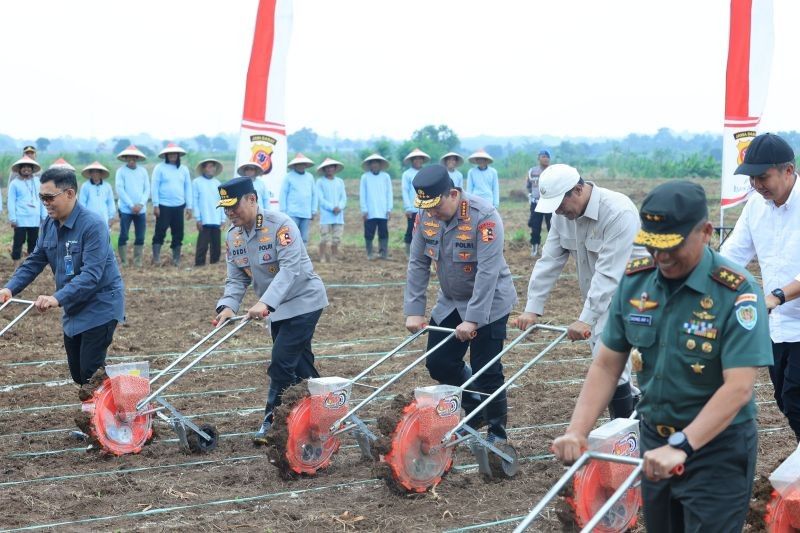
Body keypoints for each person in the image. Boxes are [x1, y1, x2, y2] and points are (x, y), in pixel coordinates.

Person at [552, 181, 772, 532]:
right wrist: (578, 431)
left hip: (716, 450)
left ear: (705, 232)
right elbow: (608, 365)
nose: (661, 257)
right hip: (655, 444)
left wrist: (682, 445)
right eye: (653, 246)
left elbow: (739, 388)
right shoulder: (637, 282)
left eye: (672, 246)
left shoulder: (736, 292)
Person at [515, 164, 645, 418]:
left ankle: (620, 433)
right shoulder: (562, 216)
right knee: (614, 368)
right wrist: (532, 308)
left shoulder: (617, 212)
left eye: (560, 203)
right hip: (599, 298)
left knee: (608, 365)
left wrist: (585, 318)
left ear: (577, 189)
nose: (558, 211)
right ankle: (636, 417)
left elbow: (609, 275)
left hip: (632, 295)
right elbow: (549, 260)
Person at [404, 165, 517, 442]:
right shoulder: (425, 217)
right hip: (451, 301)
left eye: (436, 206)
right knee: (439, 363)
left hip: (489, 305)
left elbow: (488, 271)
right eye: (426, 207)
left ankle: (497, 434)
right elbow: (418, 263)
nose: (431, 213)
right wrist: (415, 311)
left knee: (486, 369)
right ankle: (474, 404)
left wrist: (474, 318)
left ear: (453, 194)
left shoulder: (484, 217)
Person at [213, 177, 328, 444]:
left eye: (234, 206)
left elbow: (290, 269)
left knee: (281, 362)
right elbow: (237, 278)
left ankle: (273, 422)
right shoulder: (234, 236)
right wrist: (228, 306)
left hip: (303, 301)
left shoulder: (281, 226)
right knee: (301, 367)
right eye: (226, 208)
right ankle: (328, 409)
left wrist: (265, 303)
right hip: (275, 309)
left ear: (252, 200)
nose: (230, 213)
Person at [1, 167, 125, 387]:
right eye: (42, 198)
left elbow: (91, 275)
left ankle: (111, 415)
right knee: (79, 374)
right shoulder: (49, 224)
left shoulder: (93, 225)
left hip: (101, 305)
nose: (45, 203)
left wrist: (56, 298)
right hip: (73, 306)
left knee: (90, 372)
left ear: (69, 194)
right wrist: (10, 288)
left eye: (49, 197)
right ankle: (116, 400)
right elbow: (35, 261)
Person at [720, 132, 800, 441]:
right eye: (752, 177)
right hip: (777, 325)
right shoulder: (755, 207)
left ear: (788, 170)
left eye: (762, 176)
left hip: (784, 311)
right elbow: (732, 255)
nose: (756, 184)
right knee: (784, 399)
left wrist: (777, 296)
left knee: (795, 398)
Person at [151, 142, 192, 266]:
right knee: (160, 231)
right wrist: (155, 204)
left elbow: (188, 188)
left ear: (178, 155)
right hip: (163, 205)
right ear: (166, 155)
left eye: (175, 153)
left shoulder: (183, 169)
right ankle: (156, 258)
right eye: (170, 153)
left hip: (179, 206)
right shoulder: (159, 168)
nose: (173, 155)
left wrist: (189, 206)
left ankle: (176, 259)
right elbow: (154, 186)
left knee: (178, 233)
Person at [7, 156, 46, 269]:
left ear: (32, 169)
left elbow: (42, 199)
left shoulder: (37, 182)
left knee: (33, 243)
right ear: (19, 169)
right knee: (18, 243)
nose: (26, 169)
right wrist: (13, 218)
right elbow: (11, 201)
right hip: (20, 219)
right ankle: (16, 267)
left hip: (34, 219)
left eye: (29, 167)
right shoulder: (14, 183)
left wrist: (43, 216)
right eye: (24, 167)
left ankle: (30, 267)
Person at [115, 145, 150, 267]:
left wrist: (140, 204)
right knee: (124, 234)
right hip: (126, 209)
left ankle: (137, 260)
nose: (131, 160)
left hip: (141, 209)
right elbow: (120, 190)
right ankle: (124, 261)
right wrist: (131, 205)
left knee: (140, 235)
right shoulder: (121, 172)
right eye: (129, 158)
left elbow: (147, 189)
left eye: (133, 158)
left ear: (137, 158)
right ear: (125, 158)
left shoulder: (143, 171)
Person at [359, 153, 393, 260]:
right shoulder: (365, 177)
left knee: (383, 232)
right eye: (372, 163)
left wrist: (389, 208)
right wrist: (364, 210)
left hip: (383, 210)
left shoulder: (386, 177)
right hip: (370, 211)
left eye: (376, 163)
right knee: (369, 233)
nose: (374, 165)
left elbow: (389, 193)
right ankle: (370, 253)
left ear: (380, 164)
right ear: (369, 165)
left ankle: (383, 253)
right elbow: (362, 194)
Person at [192, 159, 225, 266]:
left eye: (213, 166)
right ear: (204, 168)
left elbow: (222, 202)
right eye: (208, 166)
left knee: (216, 245)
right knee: (202, 244)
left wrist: (223, 219)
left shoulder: (218, 183)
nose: (211, 169)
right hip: (204, 218)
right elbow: (195, 201)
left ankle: (214, 264)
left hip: (216, 218)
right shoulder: (197, 182)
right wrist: (198, 218)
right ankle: (199, 264)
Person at [315, 157, 347, 262]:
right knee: (324, 238)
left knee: (336, 239)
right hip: (326, 214)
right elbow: (320, 198)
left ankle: (334, 257)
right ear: (324, 169)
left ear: (335, 168)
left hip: (338, 214)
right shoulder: (320, 182)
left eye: (331, 167)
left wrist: (340, 207)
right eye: (327, 168)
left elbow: (343, 197)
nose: (329, 169)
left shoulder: (340, 182)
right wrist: (332, 207)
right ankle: (322, 256)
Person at [279, 153, 316, 244]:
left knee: (304, 238)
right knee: (292, 236)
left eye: (303, 164)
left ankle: (303, 258)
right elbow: (283, 194)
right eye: (299, 164)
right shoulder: (289, 177)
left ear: (305, 165)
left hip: (306, 212)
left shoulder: (310, 177)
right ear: (295, 165)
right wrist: (283, 211)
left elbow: (314, 194)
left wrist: (313, 210)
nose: (301, 166)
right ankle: (292, 257)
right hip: (292, 212)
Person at [401, 148, 431, 255]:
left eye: (420, 159)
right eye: (415, 159)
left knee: (427, 230)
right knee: (411, 229)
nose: (418, 161)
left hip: (426, 207)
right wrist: (407, 207)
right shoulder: (407, 174)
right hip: (413, 208)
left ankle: (424, 253)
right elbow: (405, 191)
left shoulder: (427, 172)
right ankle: (408, 253)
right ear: (412, 160)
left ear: (423, 160)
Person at [526, 149, 553, 256]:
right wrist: (533, 195)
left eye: (547, 157)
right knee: (535, 226)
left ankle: (552, 250)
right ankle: (534, 247)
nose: (545, 159)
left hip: (550, 203)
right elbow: (529, 186)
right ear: (539, 158)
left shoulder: (553, 171)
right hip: (536, 203)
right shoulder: (532, 171)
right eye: (543, 156)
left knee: (551, 227)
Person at [78, 162, 117, 228]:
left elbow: (110, 202)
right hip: (89, 218)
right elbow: (82, 203)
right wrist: (83, 217)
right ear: (90, 174)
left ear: (101, 174)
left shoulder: (107, 186)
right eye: (93, 172)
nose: (95, 174)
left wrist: (111, 216)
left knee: (104, 236)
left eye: (97, 172)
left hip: (104, 217)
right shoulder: (85, 186)